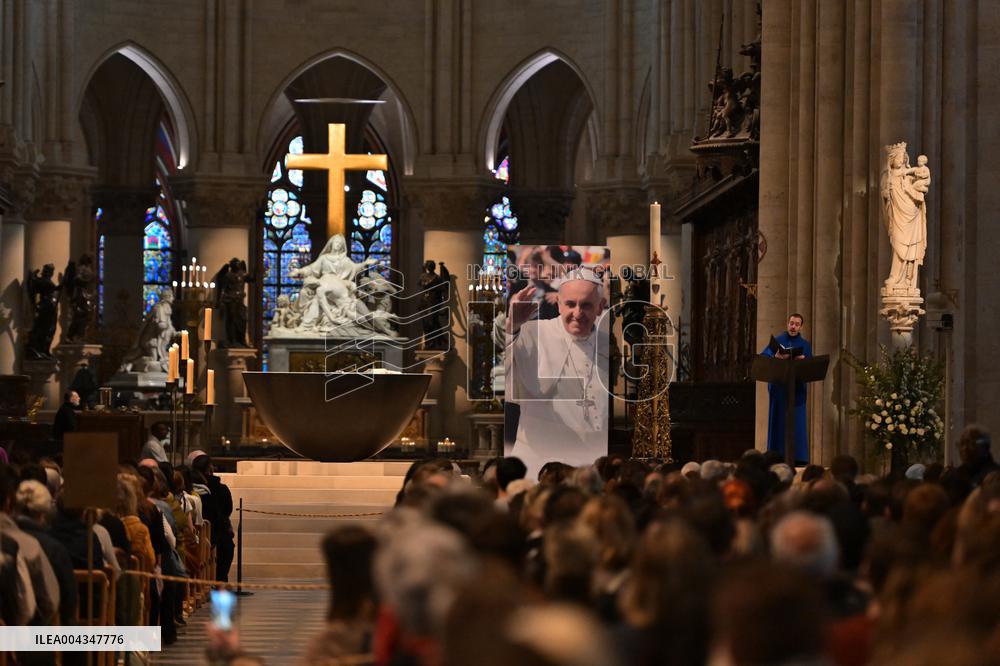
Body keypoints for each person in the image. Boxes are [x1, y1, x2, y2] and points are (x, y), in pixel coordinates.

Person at [506, 268, 610, 479]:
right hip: (537, 462)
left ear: (600, 307)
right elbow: (504, 358)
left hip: (590, 461)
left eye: (586, 305)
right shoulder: (533, 332)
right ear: (559, 304)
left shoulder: (609, 343)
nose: (577, 313)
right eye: (570, 304)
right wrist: (512, 324)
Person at [760, 313, 813, 464]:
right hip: (780, 390)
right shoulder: (778, 341)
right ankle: (776, 457)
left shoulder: (805, 344)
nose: (793, 326)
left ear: (801, 326)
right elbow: (764, 358)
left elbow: (811, 366)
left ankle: (798, 458)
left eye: (797, 324)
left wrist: (802, 360)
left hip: (796, 391)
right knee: (779, 422)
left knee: (796, 424)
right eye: (791, 323)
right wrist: (776, 357)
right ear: (787, 323)